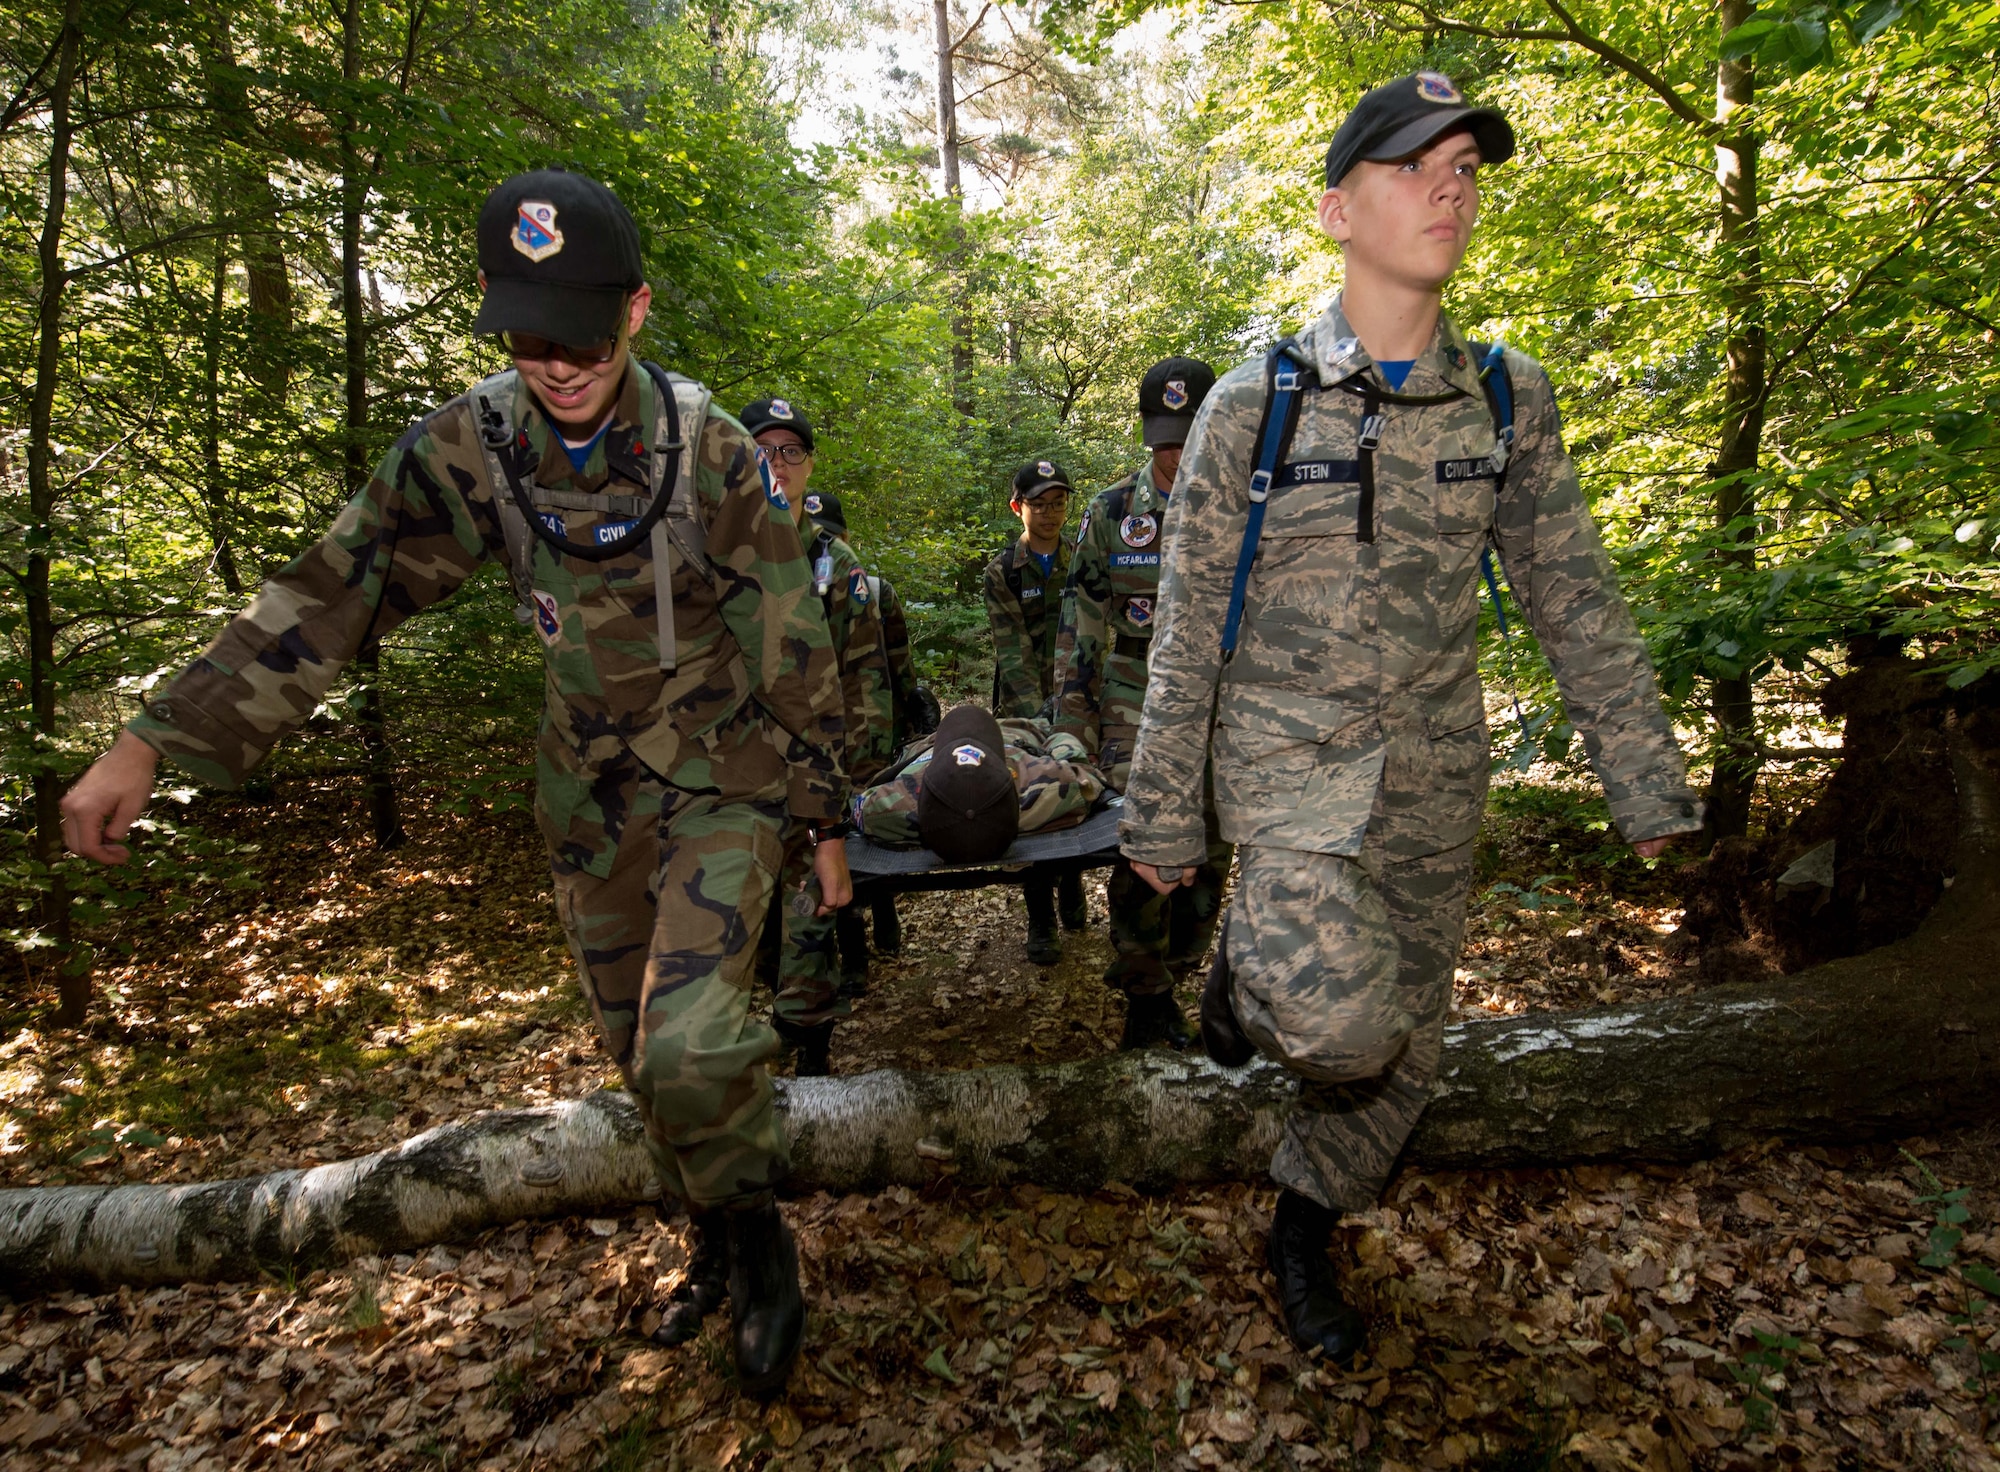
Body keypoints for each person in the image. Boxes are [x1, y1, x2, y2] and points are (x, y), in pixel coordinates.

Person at [57, 169, 842, 1395]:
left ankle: (754, 1239)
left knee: (694, 1050)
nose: (555, 359)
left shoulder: (711, 451)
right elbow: (336, 586)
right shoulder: (476, 448)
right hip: (587, 801)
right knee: (640, 1056)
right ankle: (705, 1226)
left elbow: (794, 642)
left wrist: (823, 813)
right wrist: (155, 737)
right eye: (525, 330)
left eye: (579, 328)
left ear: (633, 309)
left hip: (719, 786)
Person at [1117, 74, 1705, 1364]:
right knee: (1343, 1023)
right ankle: (1253, 957)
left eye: (1465, 165)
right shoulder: (1250, 403)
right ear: (1335, 209)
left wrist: (1642, 782)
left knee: (1408, 1051)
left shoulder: (1504, 397)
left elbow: (1575, 598)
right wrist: (1160, 810)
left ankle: (1303, 1218)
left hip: (1433, 777)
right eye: (1411, 165)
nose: (1450, 184)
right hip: (1283, 772)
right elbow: (1185, 624)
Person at [1053, 358, 1222, 1051]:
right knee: (1144, 851)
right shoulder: (1112, 513)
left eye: (1188, 437)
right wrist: (1071, 726)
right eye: (1164, 439)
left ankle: (1180, 968)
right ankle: (1146, 996)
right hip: (1132, 700)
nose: (1176, 454)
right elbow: (1081, 624)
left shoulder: (1245, 507)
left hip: (1220, 707)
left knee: (1210, 855)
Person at [739, 401, 894, 1076]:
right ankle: (773, 1021)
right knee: (752, 920)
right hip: (731, 775)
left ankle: (811, 1053)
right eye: (762, 451)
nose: (777, 465)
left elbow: (866, 674)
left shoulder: (838, 565)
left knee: (808, 918)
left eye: (791, 452)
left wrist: (863, 771)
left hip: (817, 772)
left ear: (809, 465)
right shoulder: (714, 551)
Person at [804, 488, 937, 983]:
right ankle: (853, 949)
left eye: (831, 536)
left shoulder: (876, 591)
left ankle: (884, 914)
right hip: (818, 736)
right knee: (829, 835)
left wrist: (911, 717)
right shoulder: (788, 590)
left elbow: (899, 664)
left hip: (872, 732)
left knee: (865, 828)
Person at [985, 461, 1088, 964]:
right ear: (1018, 507)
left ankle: (1072, 881)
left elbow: (1091, 632)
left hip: (1076, 699)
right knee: (1031, 799)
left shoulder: (1083, 558)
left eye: (1059, 503)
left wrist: (1073, 700)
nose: (1050, 514)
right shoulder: (1003, 571)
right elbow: (1012, 651)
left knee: (1072, 789)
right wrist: (1035, 715)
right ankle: (1040, 915)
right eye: (1039, 504)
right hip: (1023, 708)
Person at [856, 712, 1107, 852]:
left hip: (929, 748)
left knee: (914, 748)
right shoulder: (1041, 785)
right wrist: (1053, 742)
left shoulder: (900, 802)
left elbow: (863, 801)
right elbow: (1083, 770)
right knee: (1035, 728)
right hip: (1013, 736)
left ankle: (928, 733)